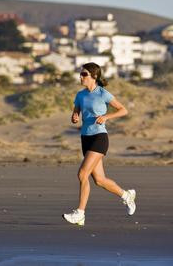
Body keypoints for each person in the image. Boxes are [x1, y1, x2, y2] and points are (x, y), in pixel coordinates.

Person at [62, 62, 136, 226]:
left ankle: (80, 213)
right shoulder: (80, 95)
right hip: (85, 138)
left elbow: (123, 110)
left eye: (84, 74)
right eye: (80, 74)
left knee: (82, 174)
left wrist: (106, 117)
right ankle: (126, 196)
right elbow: (76, 112)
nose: (81, 77)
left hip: (99, 138)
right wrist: (74, 117)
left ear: (94, 76)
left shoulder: (103, 94)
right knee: (100, 180)